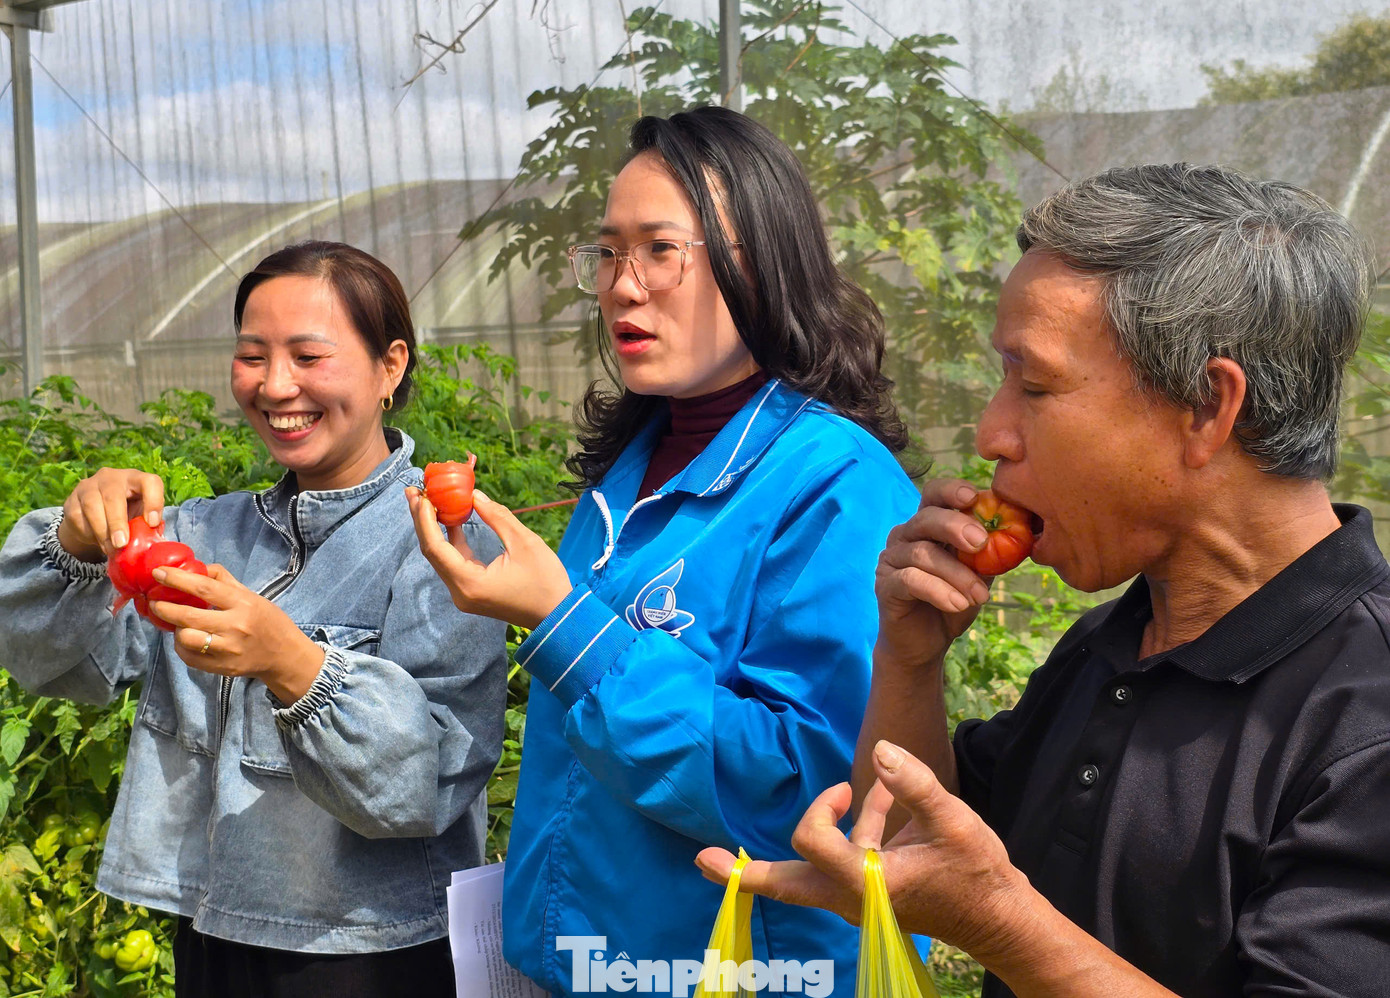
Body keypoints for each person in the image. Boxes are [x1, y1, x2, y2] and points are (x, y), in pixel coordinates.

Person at [696, 164, 1390, 996]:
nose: (992, 434)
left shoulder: (1367, 712)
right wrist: (910, 663)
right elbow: (919, 837)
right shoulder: (1112, 645)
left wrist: (999, 922)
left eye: (1033, 384)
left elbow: (988, 903)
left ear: (1208, 406)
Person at [407, 105, 921, 995]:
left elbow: (806, 790)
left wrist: (561, 622)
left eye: (659, 250)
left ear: (760, 264)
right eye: (608, 253)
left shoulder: (837, 484)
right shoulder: (628, 473)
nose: (621, 285)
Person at [0, 241, 508, 997]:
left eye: (309, 355)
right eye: (251, 356)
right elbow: (53, 664)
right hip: (212, 931)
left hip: (371, 952)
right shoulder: (206, 534)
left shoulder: (442, 543)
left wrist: (293, 664)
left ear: (390, 367)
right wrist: (75, 543)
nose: (274, 385)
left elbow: (431, 781)